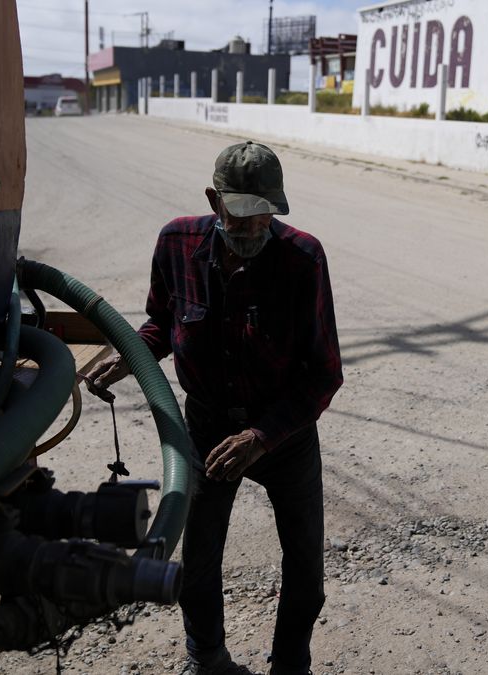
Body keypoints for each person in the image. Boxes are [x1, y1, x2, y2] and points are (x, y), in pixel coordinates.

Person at [87, 141, 343, 675]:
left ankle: (291, 665)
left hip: (283, 436)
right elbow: (163, 322)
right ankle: (207, 658)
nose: (253, 231)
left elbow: (323, 374)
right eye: (240, 218)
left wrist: (261, 437)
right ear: (213, 200)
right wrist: (131, 355)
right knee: (200, 560)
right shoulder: (176, 243)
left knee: (306, 573)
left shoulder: (302, 259)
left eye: (264, 217)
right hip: (205, 429)